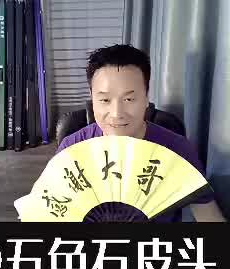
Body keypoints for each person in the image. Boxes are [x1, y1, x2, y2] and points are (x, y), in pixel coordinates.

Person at [57, 43, 223, 222]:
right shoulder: (72, 149)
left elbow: (208, 216)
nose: (117, 114)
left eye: (129, 99)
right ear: (92, 98)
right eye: (105, 100)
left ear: (146, 97)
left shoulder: (177, 150)